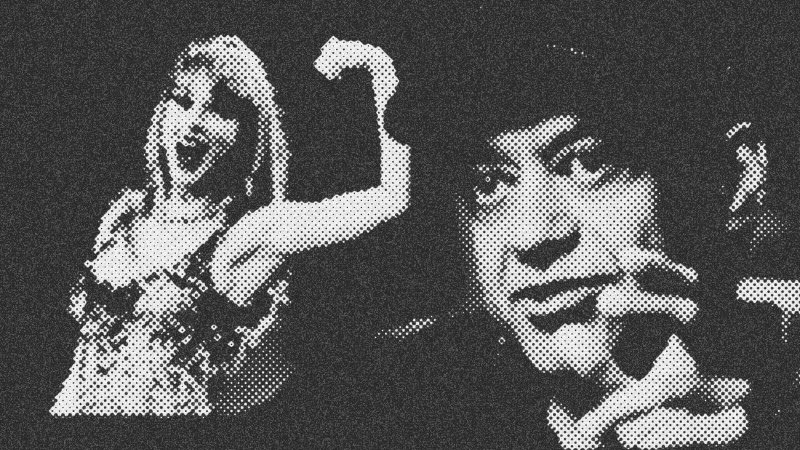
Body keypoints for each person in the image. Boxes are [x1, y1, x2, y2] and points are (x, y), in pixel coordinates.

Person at [51, 35, 409, 415]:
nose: (192, 122)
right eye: (182, 100)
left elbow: (392, 197)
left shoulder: (253, 233)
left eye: (217, 110)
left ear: (248, 132)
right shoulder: (123, 214)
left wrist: (378, 65)